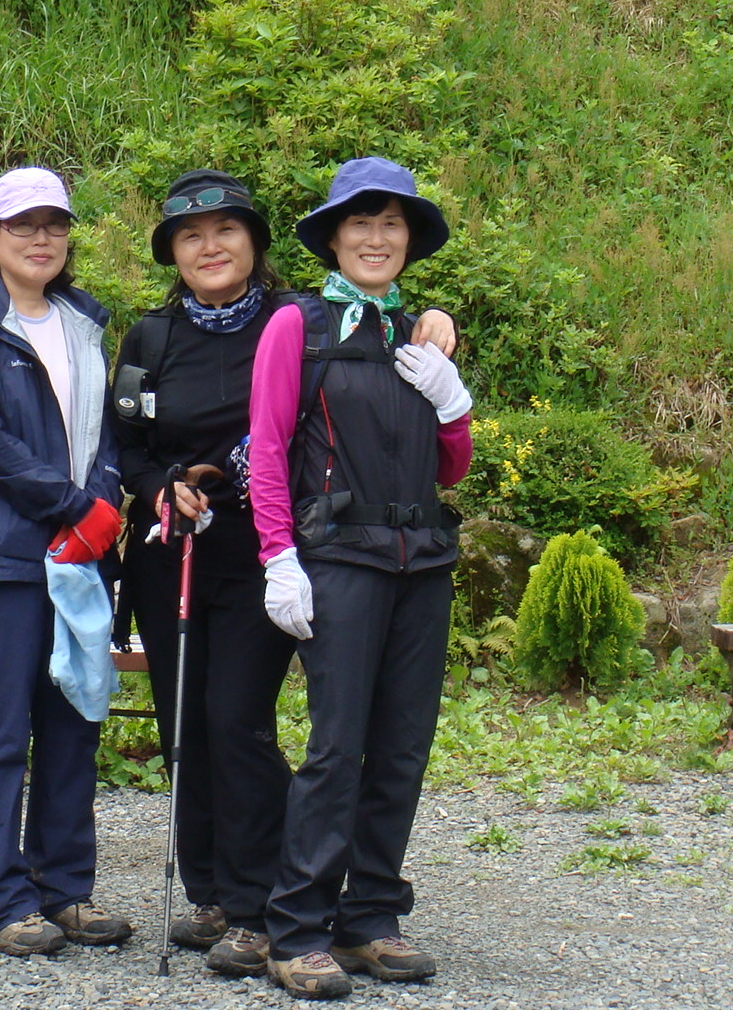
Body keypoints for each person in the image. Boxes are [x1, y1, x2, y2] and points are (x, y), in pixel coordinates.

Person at [114, 170, 458, 978]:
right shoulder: (151, 338)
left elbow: (284, 438)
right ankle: (214, 890)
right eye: (191, 236)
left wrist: (441, 347)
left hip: (279, 547)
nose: (210, 246)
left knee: (239, 720)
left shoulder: (295, 319)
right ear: (171, 252)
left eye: (227, 231)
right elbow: (128, 446)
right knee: (187, 722)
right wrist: (159, 487)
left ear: (258, 244)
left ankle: (258, 900)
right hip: (185, 544)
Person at [246, 157, 473, 1000]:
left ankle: (372, 917)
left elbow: (451, 469)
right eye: (361, 224)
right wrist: (278, 556)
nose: (376, 239)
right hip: (338, 559)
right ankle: (297, 928)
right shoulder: (295, 327)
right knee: (336, 747)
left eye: (392, 225)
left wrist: (453, 406)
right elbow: (267, 449)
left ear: (409, 240)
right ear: (334, 238)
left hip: (424, 562)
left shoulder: (421, 333)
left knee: (404, 750)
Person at [0, 167, 133, 957]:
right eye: (22, 225)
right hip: (4, 556)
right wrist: (73, 507)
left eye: (53, 223)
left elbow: (106, 435)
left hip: (82, 555)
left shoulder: (85, 321)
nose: (40, 237)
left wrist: (104, 498)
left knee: (75, 723)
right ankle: (3, 898)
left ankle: (65, 889)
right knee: (2, 730)